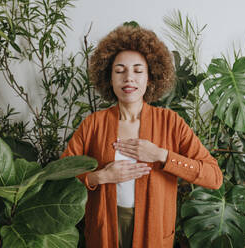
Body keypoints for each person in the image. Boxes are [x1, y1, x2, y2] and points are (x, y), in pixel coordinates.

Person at [61, 25, 223, 248]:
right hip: (105, 229)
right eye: (120, 71)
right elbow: (61, 176)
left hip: (155, 232)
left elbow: (213, 177)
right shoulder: (93, 124)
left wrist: (162, 155)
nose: (129, 78)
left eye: (138, 71)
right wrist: (99, 177)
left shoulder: (171, 123)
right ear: (109, 78)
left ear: (150, 78)